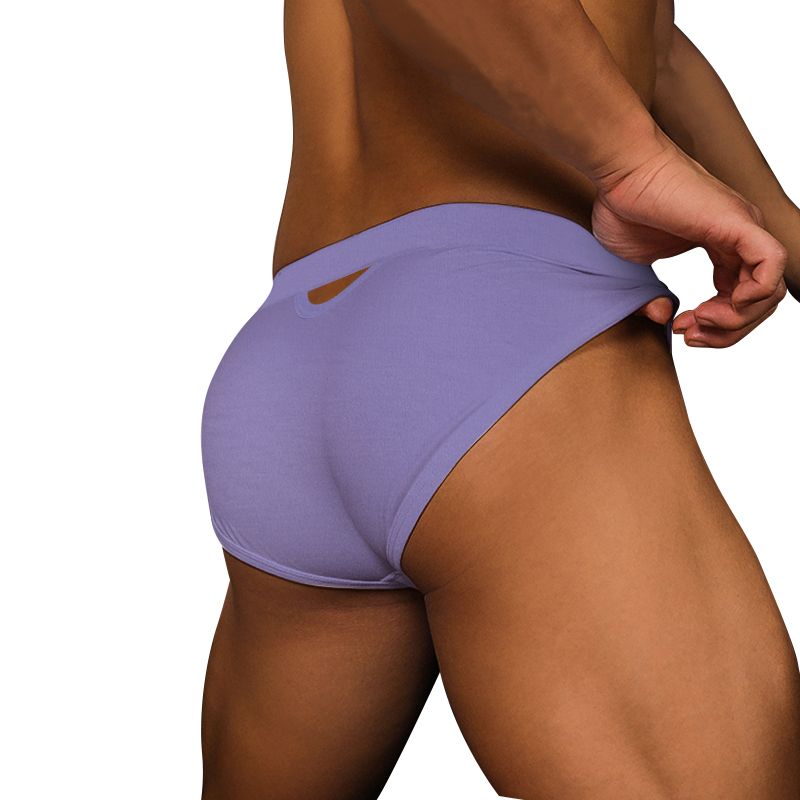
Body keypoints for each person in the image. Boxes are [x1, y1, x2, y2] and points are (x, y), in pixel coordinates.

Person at [199, 1, 800, 797]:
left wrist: (780, 230)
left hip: (297, 345)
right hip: (503, 317)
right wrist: (637, 162)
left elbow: (648, 48)